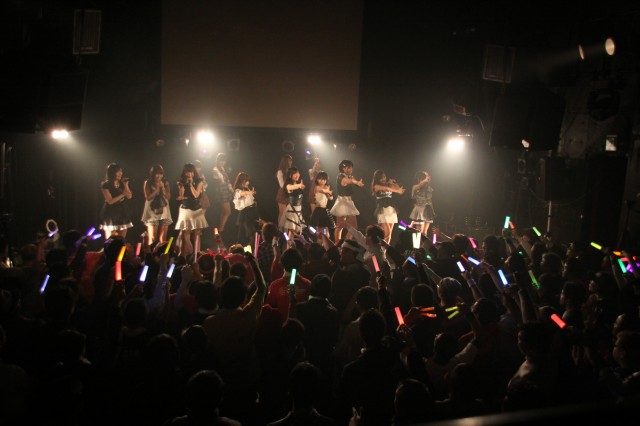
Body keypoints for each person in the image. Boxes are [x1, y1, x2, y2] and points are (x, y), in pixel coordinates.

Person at [175, 163, 208, 259]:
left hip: (196, 209)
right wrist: (182, 187)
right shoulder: (181, 182)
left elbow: (196, 195)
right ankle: (185, 256)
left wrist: (190, 185)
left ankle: (197, 255)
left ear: (194, 172)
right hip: (185, 209)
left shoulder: (199, 181)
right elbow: (181, 196)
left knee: (197, 234)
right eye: (187, 172)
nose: (189, 174)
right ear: (184, 173)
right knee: (185, 234)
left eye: (191, 172)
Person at [330, 160, 364, 241]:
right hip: (342, 201)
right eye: (346, 168)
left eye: (350, 167)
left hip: (348, 201)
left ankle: (345, 242)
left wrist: (356, 182)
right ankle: (339, 243)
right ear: (342, 168)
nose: (349, 169)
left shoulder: (349, 176)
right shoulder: (341, 177)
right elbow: (349, 181)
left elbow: (351, 181)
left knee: (351, 226)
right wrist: (356, 182)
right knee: (340, 226)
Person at [140, 164, 172, 247]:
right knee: (153, 238)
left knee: (163, 238)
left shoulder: (165, 182)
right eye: (157, 174)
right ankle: (150, 253)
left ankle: (162, 253)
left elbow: (168, 197)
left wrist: (163, 188)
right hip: (152, 211)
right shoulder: (148, 182)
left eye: (161, 174)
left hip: (164, 210)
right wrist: (157, 188)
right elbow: (148, 197)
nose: (159, 176)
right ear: (153, 174)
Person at [99, 162, 133, 239]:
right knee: (110, 239)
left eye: (121, 171)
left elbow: (129, 196)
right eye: (118, 171)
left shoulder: (121, 183)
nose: (120, 173)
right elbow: (110, 201)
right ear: (112, 173)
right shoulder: (105, 184)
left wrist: (126, 185)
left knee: (122, 239)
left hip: (122, 212)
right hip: (110, 213)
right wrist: (123, 194)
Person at [371, 169, 405, 244]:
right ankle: (377, 247)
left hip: (391, 210)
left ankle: (385, 250)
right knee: (386, 233)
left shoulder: (388, 184)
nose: (383, 179)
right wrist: (397, 190)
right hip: (382, 210)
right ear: (377, 179)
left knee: (389, 235)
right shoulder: (376, 186)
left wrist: (394, 183)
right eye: (381, 178)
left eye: (384, 177)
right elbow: (386, 189)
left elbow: (399, 191)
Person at [232, 172, 259, 246]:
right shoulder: (238, 190)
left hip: (252, 211)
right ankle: (246, 248)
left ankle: (252, 247)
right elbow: (242, 193)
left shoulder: (247, 189)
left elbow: (249, 199)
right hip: (245, 214)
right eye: (246, 180)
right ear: (242, 181)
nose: (248, 182)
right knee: (247, 234)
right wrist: (250, 192)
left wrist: (253, 202)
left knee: (253, 232)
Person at [211, 153, 233, 234]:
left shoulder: (222, 169)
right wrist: (222, 177)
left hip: (225, 191)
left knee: (223, 212)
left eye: (224, 161)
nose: (223, 162)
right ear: (217, 161)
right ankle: (220, 230)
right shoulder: (215, 170)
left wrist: (231, 189)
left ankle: (220, 230)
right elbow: (220, 180)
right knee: (228, 212)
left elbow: (227, 181)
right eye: (221, 161)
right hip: (221, 191)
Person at [280, 167, 306, 234]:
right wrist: (299, 185)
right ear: (290, 175)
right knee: (292, 231)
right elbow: (292, 187)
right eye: (295, 174)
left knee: (298, 231)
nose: (297, 175)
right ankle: (288, 241)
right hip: (292, 210)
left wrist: (300, 185)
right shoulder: (288, 186)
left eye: (298, 173)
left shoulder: (298, 185)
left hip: (299, 210)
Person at [410, 171, 435, 237]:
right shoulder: (415, 186)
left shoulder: (428, 187)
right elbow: (415, 192)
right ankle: (417, 244)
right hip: (420, 209)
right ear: (420, 178)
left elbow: (430, 199)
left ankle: (423, 243)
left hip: (428, 209)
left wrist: (432, 210)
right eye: (426, 176)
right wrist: (424, 181)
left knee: (424, 232)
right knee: (419, 232)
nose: (428, 177)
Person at [309, 171, 334, 237]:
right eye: (320, 179)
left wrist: (328, 192)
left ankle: (324, 236)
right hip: (318, 210)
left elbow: (331, 198)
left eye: (324, 179)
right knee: (318, 228)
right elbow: (322, 190)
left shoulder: (326, 188)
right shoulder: (317, 187)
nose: (322, 181)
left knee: (325, 228)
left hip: (324, 210)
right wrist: (328, 191)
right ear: (317, 179)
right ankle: (318, 235)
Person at [275, 154, 293, 229]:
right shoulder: (280, 171)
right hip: (283, 193)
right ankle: (280, 229)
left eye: (291, 161)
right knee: (282, 213)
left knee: (288, 213)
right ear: (285, 161)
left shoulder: (290, 171)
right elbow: (282, 184)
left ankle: (286, 229)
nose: (291, 162)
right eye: (289, 160)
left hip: (289, 193)